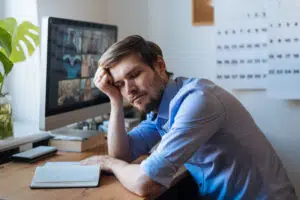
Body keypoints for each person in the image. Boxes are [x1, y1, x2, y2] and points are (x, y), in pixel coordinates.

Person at [81, 35, 297, 199]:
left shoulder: (197, 101)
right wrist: (115, 101)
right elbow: (123, 155)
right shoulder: (161, 108)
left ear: (160, 66)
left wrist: (106, 162)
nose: (129, 90)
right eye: (120, 84)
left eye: (134, 75)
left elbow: (145, 183)